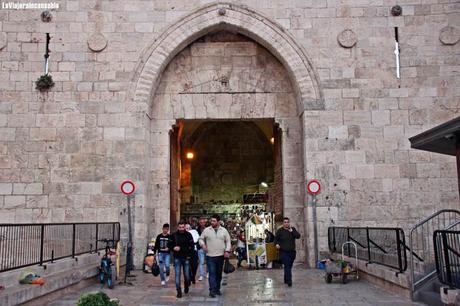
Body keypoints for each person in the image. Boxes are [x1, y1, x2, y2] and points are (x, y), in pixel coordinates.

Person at [199, 214, 231, 298]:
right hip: (210, 256)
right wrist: (203, 245)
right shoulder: (207, 230)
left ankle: (217, 289)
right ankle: (212, 290)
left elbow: (228, 241)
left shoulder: (224, 230)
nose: (212, 222)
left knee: (218, 274)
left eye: (214, 221)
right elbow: (201, 239)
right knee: (212, 273)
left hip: (220, 256)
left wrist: (227, 250)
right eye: (211, 221)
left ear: (218, 222)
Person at [169, 221, 195, 298]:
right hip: (177, 258)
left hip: (186, 257)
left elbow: (192, 246)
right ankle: (179, 291)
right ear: (178, 227)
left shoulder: (188, 235)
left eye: (182, 227)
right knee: (177, 275)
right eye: (180, 227)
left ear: (185, 227)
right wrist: (173, 248)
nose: (181, 229)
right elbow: (169, 244)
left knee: (187, 275)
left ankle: (186, 285)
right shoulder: (174, 235)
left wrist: (189, 255)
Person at [274, 217, 300, 287]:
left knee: (288, 266)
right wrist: (276, 244)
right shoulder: (280, 231)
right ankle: (289, 281)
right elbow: (276, 239)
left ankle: (286, 279)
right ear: (283, 223)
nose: (286, 223)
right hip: (283, 252)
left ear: (289, 223)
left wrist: (292, 231)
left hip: (292, 252)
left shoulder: (293, 229)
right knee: (287, 265)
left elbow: (298, 236)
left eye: (287, 222)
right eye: (285, 222)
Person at [196, 217, 207, 281]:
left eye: (203, 222)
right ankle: (201, 275)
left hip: (208, 248)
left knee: (208, 261)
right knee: (201, 262)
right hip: (200, 248)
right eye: (201, 222)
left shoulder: (208, 229)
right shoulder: (197, 230)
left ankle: (208, 272)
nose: (202, 223)